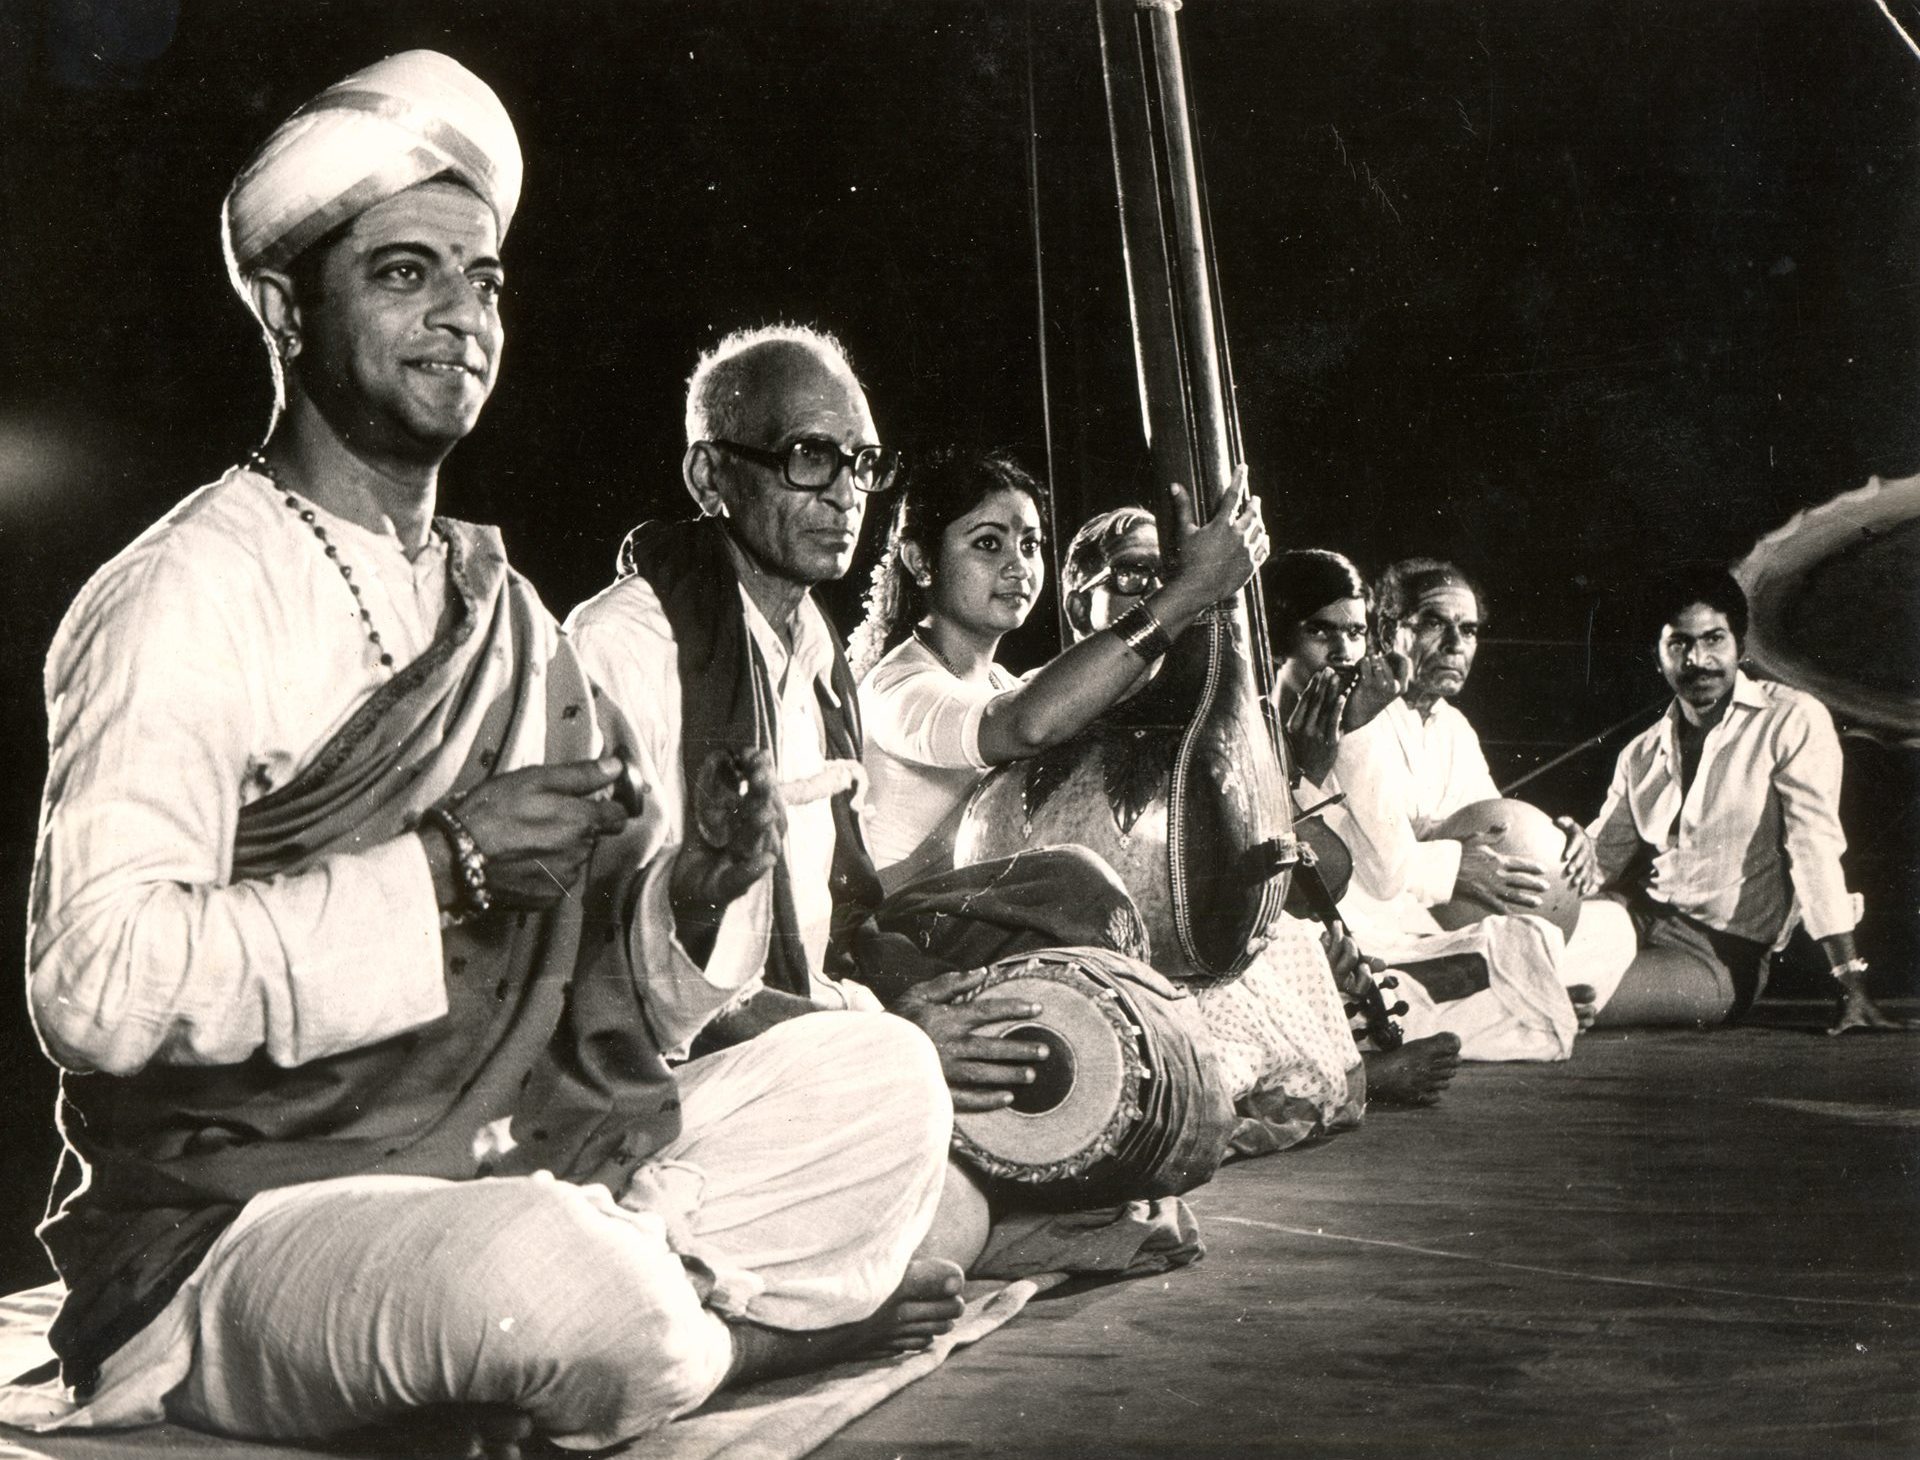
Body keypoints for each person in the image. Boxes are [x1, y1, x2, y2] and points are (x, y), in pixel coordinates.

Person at [14, 54, 962, 1457]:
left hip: (493, 1161)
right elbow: (95, 987)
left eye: (484, 280)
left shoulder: (504, 613)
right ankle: (742, 1337)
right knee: (554, 1280)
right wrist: (446, 866)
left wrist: (695, 890)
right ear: (284, 308)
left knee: (883, 1079)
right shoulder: (184, 593)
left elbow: (604, 1010)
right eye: (406, 274)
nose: (461, 316)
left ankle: (594, 1330)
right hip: (244, 1223)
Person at [566, 332, 1173, 1263]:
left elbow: (838, 923)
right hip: (688, 1062)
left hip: (818, 1025)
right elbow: (623, 975)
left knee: (1053, 990)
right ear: (709, 475)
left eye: (861, 464)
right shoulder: (628, 645)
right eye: (810, 458)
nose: (846, 492)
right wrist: (893, 1032)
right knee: (932, 1156)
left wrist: (910, 996)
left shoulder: (815, 656)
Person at [1323, 558, 1638, 1061]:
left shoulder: (1455, 729)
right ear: (1385, 631)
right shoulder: (1358, 715)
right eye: (1434, 623)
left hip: (1450, 923)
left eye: (1468, 630)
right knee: (1511, 946)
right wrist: (1455, 866)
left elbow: (1495, 824)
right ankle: (1524, 1000)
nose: (1455, 645)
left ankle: (1514, 998)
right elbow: (1378, 865)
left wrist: (1557, 844)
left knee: (1612, 927)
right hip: (1382, 922)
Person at [1584, 567, 1913, 1034]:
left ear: (1740, 646)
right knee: (1516, 954)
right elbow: (1599, 861)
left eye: (1714, 639)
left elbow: (1813, 849)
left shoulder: (1791, 719)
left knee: (1567, 997)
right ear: (1657, 657)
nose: (1698, 659)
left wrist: (1849, 980)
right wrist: (1561, 852)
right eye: (1679, 644)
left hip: (1717, 957)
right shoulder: (1640, 753)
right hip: (1630, 919)